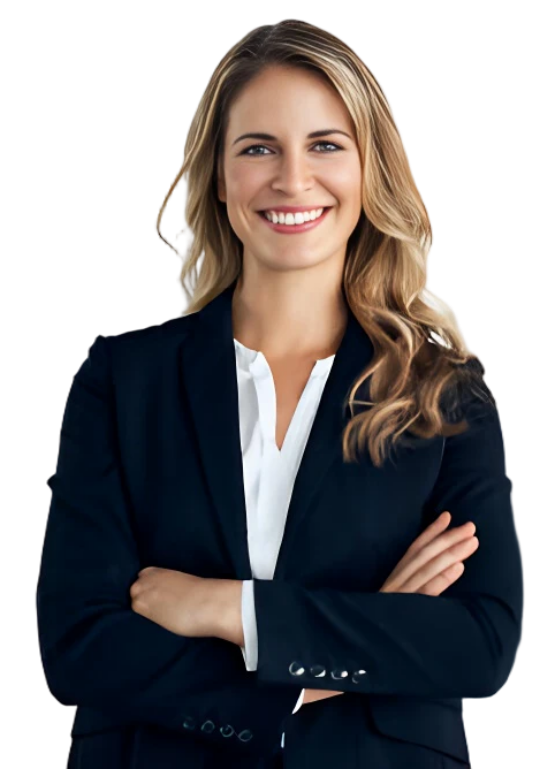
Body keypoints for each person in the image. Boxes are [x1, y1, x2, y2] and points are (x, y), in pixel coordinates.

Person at [38, 18, 523, 769]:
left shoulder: (443, 394)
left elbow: (480, 644)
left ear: (370, 170)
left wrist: (228, 609)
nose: (292, 180)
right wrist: (361, 639)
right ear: (218, 175)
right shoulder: (124, 379)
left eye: (325, 145)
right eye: (258, 148)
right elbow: (79, 645)